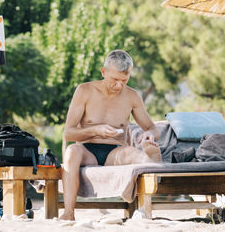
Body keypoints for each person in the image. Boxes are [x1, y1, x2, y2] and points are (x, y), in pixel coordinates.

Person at [60, 49, 162, 220]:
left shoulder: (132, 96)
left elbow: (152, 128)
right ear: (103, 71)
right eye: (115, 79)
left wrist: (149, 135)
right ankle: (69, 212)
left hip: (115, 152)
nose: (119, 85)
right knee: (71, 151)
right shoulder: (85, 91)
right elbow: (68, 133)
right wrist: (95, 130)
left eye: (124, 80)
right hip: (87, 151)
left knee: (131, 152)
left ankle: (152, 161)